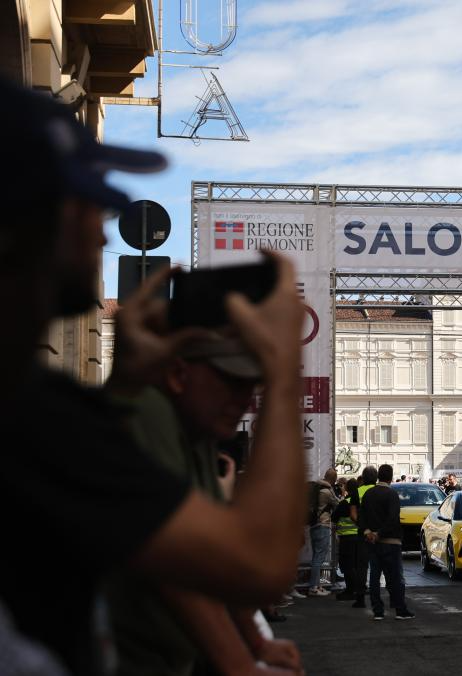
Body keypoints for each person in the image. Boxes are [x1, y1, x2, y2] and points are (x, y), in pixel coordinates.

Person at [0, 80, 307, 674]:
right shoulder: (24, 407)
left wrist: (124, 383)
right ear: (24, 224)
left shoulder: (38, 403)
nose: (105, 227)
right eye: (87, 198)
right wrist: (282, 372)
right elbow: (259, 563)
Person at [107, 334, 304, 676]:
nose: (243, 400)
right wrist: (241, 663)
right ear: (179, 375)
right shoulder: (150, 414)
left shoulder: (197, 432)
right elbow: (182, 568)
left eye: (250, 386)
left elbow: (221, 568)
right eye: (230, 383)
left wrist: (255, 644)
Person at [361, 465, 415, 620]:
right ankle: (400, 609)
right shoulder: (392, 494)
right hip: (391, 541)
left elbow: (362, 516)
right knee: (395, 577)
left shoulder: (368, 494)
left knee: (374, 577)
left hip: (372, 541)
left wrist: (369, 533)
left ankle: (378, 611)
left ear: (379, 476)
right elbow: (392, 519)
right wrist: (380, 533)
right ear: (391, 477)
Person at [348, 466, 378, 607]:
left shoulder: (357, 492)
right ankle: (380, 597)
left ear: (364, 478)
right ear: (376, 478)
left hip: (363, 534)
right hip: (379, 535)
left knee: (362, 567)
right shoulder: (382, 491)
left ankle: (360, 599)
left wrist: (361, 526)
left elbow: (353, 514)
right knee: (381, 566)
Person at [308, 469, 340, 597]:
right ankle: (314, 587)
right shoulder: (327, 491)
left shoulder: (317, 489)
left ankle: (317, 585)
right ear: (333, 479)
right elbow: (337, 503)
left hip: (314, 525)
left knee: (317, 557)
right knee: (319, 558)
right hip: (323, 525)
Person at [333, 478, 359, 600]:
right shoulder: (361, 501)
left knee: (348, 565)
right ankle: (358, 589)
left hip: (347, 537)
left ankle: (350, 591)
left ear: (347, 488)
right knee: (357, 564)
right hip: (359, 537)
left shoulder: (345, 503)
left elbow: (334, 516)